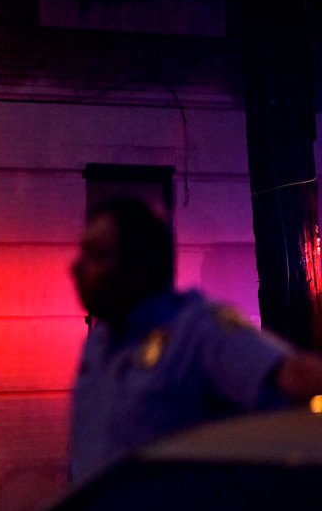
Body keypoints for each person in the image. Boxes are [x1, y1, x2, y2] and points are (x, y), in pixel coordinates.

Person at [69, 196, 322, 484]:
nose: (77, 269)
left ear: (139, 266)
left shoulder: (199, 332)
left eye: (97, 256)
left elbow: (295, 375)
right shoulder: (100, 342)